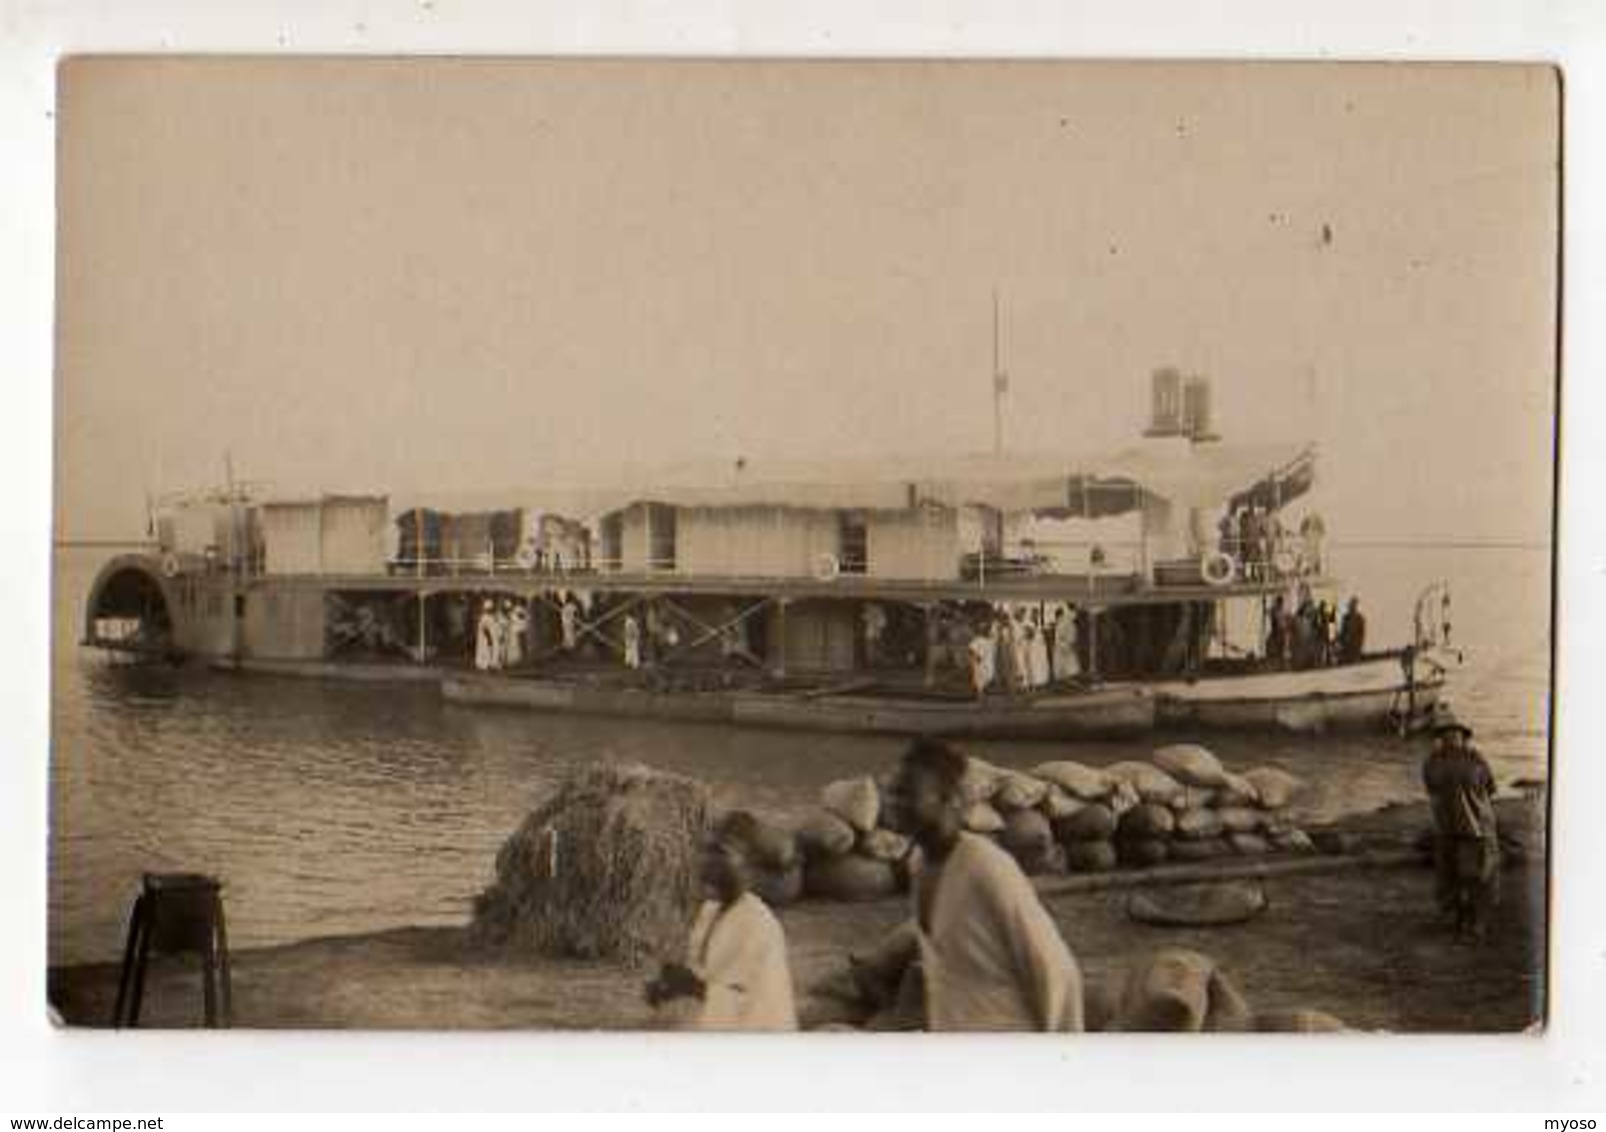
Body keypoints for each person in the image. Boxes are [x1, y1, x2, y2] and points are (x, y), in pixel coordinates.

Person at [884, 738, 1085, 1031]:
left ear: (950, 799)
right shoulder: (918, 864)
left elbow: (1055, 967)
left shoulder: (986, 867)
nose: (893, 803)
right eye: (892, 792)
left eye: (906, 794)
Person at [646, 810, 798, 1031]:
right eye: (707, 850)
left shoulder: (758, 924)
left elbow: (760, 1008)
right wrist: (669, 988)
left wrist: (694, 987)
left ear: (750, 866)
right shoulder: (710, 911)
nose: (709, 863)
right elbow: (711, 975)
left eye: (722, 853)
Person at [1421, 705, 1501, 941]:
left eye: (1454, 733)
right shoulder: (1469, 760)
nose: (1451, 738)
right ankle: (1467, 921)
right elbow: (1491, 788)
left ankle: (1473, 924)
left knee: (1471, 876)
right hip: (1458, 828)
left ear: (1462, 736)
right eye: (1447, 734)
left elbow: (1432, 790)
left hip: (1469, 828)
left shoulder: (1433, 762)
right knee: (1462, 876)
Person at [474, 599, 500, 671]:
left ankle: (493, 663)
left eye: (491, 609)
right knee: (486, 650)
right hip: (486, 637)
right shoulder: (484, 617)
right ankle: (486, 663)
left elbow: (495, 626)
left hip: (492, 635)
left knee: (494, 649)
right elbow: (484, 628)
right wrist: (489, 638)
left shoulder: (492, 616)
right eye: (490, 609)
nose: (491, 610)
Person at [1339, 597, 1367, 664]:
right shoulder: (1345, 618)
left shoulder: (1360, 619)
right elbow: (1342, 633)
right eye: (1350, 606)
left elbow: (1361, 635)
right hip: (1346, 647)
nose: (1351, 608)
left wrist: (1358, 645)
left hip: (1355, 647)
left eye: (1353, 606)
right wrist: (1342, 642)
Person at [506, 600, 529, 668]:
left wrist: (522, 615)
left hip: (521, 629)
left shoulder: (520, 609)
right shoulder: (514, 611)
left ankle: (523, 660)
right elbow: (516, 618)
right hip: (516, 630)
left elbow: (524, 616)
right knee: (516, 646)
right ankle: (516, 661)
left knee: (522, 645)